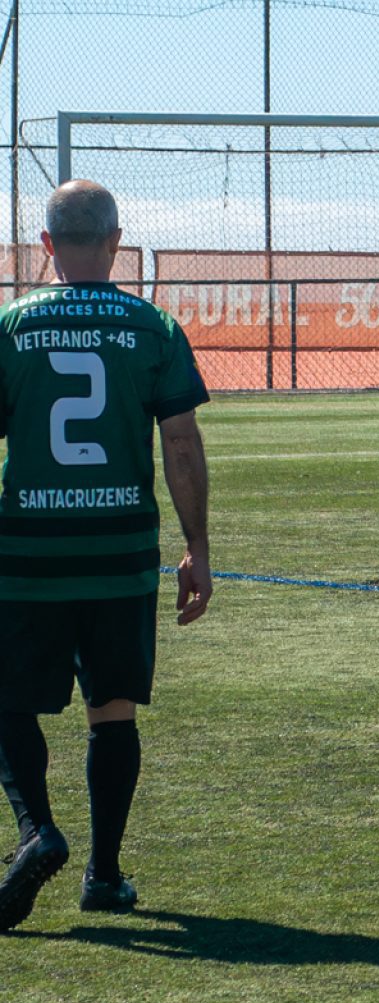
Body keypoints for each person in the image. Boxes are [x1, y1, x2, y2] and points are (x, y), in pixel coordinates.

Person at [0, 180, 212, 930]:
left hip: (26, 552)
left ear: (47, 246)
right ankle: (103, 873)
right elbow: (180, 442)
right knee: (112, 711)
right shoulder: (152, 325)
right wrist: (197, 548)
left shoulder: (11, 326)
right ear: (118, 241)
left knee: (8, 701)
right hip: (120, 552)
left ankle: (36, 831)